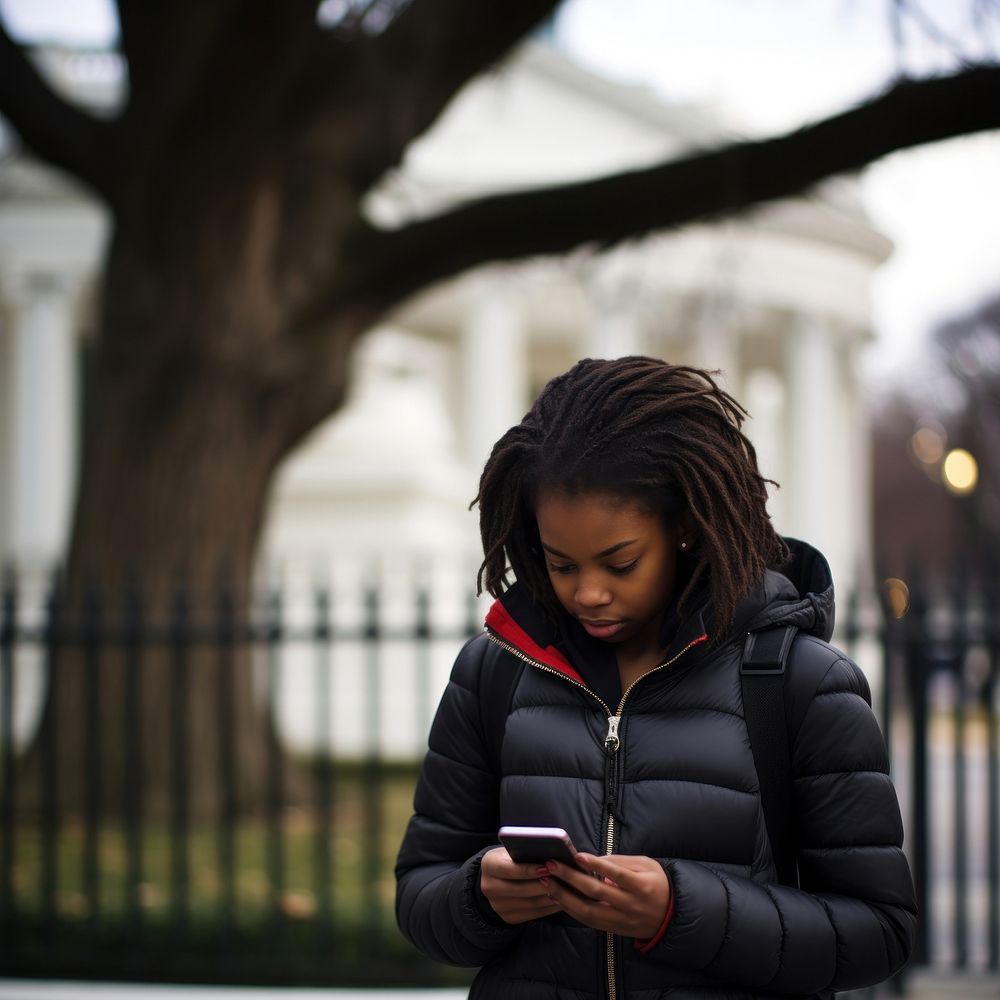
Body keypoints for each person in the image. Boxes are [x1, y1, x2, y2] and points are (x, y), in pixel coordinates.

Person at [395, 357, 916, 1000]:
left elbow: (880, 933)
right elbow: (420, 897)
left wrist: (678, 910)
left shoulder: (799, 683)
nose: (588, 593)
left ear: (686, 528)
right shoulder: (494, 673)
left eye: (620, 563)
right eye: (561, 564)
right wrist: (479, 896)